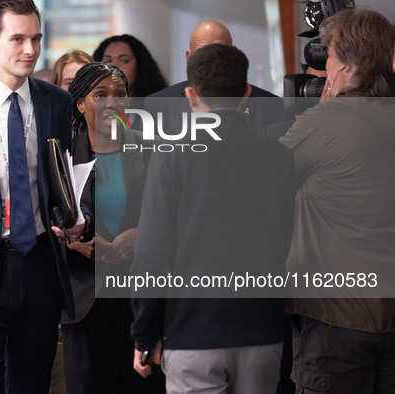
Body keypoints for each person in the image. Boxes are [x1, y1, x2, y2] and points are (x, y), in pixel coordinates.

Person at [131, 44, 295, 394]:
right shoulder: (279, 156)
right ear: (247, 93)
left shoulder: (172, 154)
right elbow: (287, 241)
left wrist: (144, 334)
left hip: (192, 334)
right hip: (263, 331)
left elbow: (152, 252)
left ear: (190, 95)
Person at [0, 0, 87, 392]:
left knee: (33, 382)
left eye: (35, 39)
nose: (30, 50)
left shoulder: (56, 102)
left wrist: (74, 216)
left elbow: (66, 175)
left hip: (39, 263)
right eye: (18, 39)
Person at [278, 9, 395, 393]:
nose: (324, 65)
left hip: (336, 319)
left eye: (328, 56)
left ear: (345, 66)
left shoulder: (328, 122)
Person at [60, 62, 165, 394]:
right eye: (100, 95)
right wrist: (73, 244)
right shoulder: (62, 153)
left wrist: (143, 236)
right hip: (84, 298)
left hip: (139, 298)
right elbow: (43, 220)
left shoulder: (150, 148)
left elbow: (172, 215)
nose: (113, 103)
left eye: (120, 95)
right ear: (80, 104)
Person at [145, 20, 284, 134]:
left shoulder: (272, 106)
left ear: (233, 54)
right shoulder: (158, 105)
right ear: (189, 58)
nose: (212, 59)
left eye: (220, 50)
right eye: (203, 53)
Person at [93, 34, 167, 98]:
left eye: (124, 61)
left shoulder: (159, 105)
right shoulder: (88, 107)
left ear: (140, 66)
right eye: (108, 61)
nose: (114, 67)